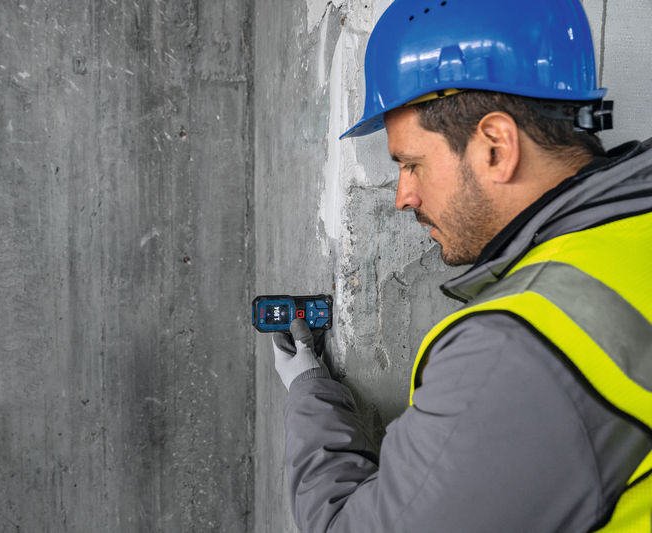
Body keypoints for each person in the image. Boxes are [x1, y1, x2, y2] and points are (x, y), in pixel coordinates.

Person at [270, 1, 652, 531]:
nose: (402, 196)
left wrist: (308, 392)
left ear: (496, 147)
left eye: (411, 164)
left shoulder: (514, 352)